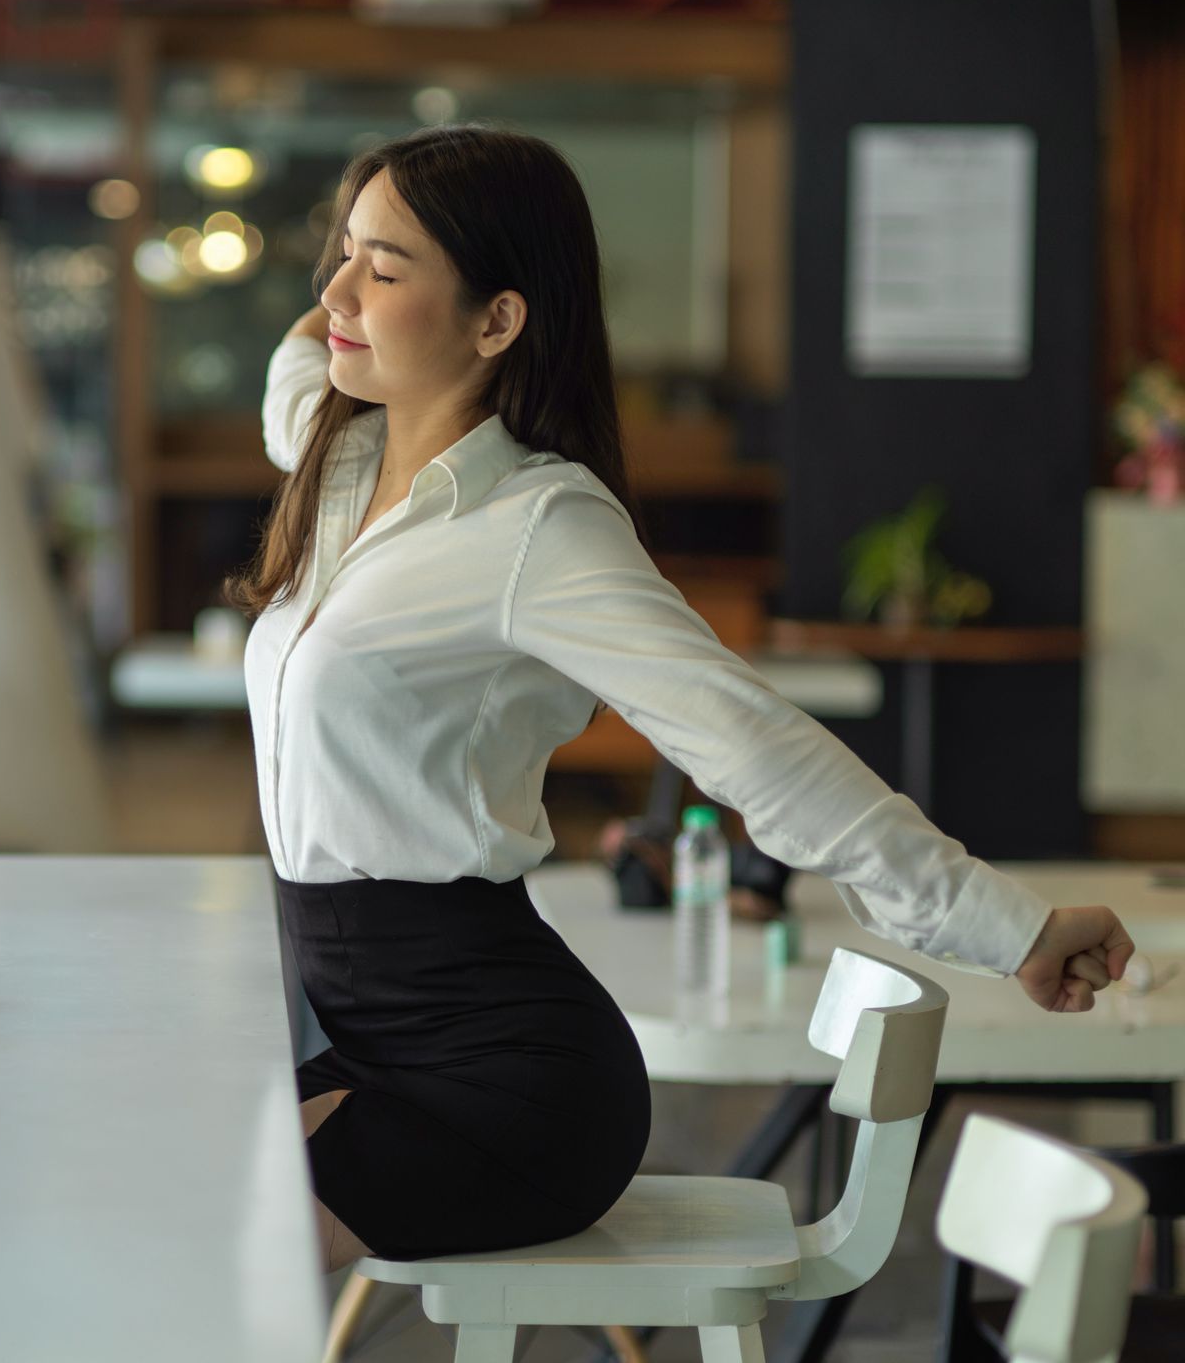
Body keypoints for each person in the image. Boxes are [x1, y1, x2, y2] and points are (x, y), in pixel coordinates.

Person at [221, 124, 1137, 1275]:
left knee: (221, 1239)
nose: (338, 288)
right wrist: (351, 294)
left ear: (499, 319)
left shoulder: (540, 528)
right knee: (172, 1180)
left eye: (386, 267)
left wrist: (1013, 928)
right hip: (358, 1031)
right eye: (341, 254)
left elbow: (763, 750)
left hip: (506, 1081)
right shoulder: (342, 461)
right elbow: (293, 378)